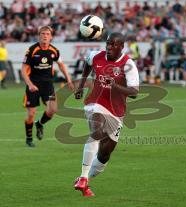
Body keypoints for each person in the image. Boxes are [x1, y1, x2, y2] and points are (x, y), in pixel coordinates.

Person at [74, 32, 139, 197]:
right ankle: (82, 177)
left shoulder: (128, 64)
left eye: (113, 44)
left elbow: (134, 92)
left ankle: (86, 180)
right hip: (95, 103)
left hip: (116, 111)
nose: (109, 47)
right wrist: (81, 84)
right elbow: (88, 63)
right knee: (97, 131)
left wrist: (115, 86)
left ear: (121, 46)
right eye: (108, 43)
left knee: (104, 155)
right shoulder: (96, 56)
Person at [21, 26, 74, 147]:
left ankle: (39, 124)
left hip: (47, 84)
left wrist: (69, 80)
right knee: (31, 113)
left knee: (53, 110)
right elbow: (23, 70)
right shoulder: (31, 50)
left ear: (51, 37)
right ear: (39, 35)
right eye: (42, 33)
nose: (45, 35)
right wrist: (30, 85)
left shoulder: (54, 50)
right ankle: (29, 139)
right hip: (33, 84)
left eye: (47, 34)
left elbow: (61, 65)